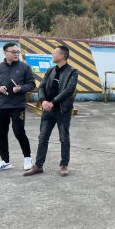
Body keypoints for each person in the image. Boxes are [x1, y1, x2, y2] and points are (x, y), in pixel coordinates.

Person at [24, 46, 79, 178]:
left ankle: (64, 165)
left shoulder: (72, 71)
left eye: (54, 53)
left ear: (62, 56)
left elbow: (69, 89)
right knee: (43, 137)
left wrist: (53, 102)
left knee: (64, 138)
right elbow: (41, 86)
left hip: (62, 110)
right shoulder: (50, 70)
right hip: (48, 110)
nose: (52, 55)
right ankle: (38, 165)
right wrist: (43, 101)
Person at [0, 43, 36, 173]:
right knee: (1, 134)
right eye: (13, 52)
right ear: (5, 52)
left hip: (17, 105)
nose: (16, 54)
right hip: (1, 105)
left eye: (17, 52)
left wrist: (20, 88)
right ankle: (5, 161)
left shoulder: (25, 67)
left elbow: (32, 84)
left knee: (19, 132)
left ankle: (27, 158)